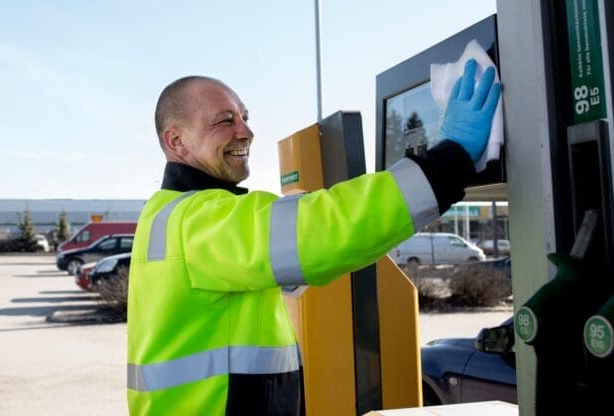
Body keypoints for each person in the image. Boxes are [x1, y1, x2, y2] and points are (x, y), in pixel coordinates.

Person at [127, 60, 501, 415]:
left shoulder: (168, 214)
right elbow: (327, 230)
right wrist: (451, 159)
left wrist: (299, 218)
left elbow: (262, 275)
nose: (245, 130)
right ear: (176, 141)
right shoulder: (198, 220)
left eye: (244, 116)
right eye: (225, 121)